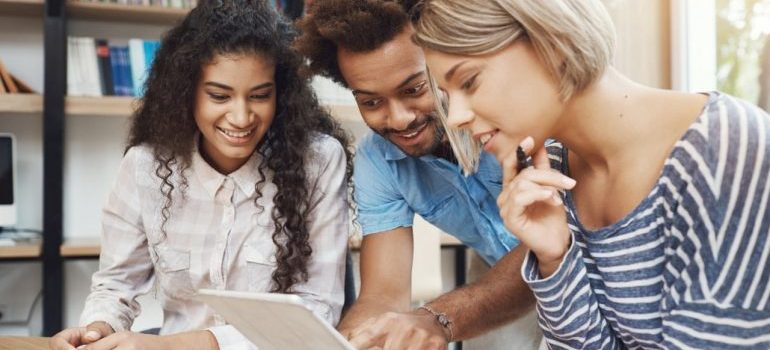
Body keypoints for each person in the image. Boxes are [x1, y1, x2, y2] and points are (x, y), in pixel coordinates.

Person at [414, 0, 770, 348]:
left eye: (469, 82)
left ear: (553, 43)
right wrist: (555, 259)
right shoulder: (553, 171)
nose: (456, 116)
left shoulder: (726, 148)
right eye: (448, 96)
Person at [49, 1, 353, 349]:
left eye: (260, 96)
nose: (241, 117)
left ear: (281, 94)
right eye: (219, 95)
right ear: (185, 91)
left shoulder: (318, 161)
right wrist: (95, 331)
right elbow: (116, 285)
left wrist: (171, 346)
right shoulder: (145, 166)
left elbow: (317, 309)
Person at [294, 1, 540, 349]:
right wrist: (357, 339)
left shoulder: (512, 114)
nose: (398, 119)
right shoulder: (378, 162)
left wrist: (437, 318)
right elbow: (383, 296)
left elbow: (555, 245)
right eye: (371, 102)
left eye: (413, 90)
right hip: (494, 269)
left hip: (584, 260)